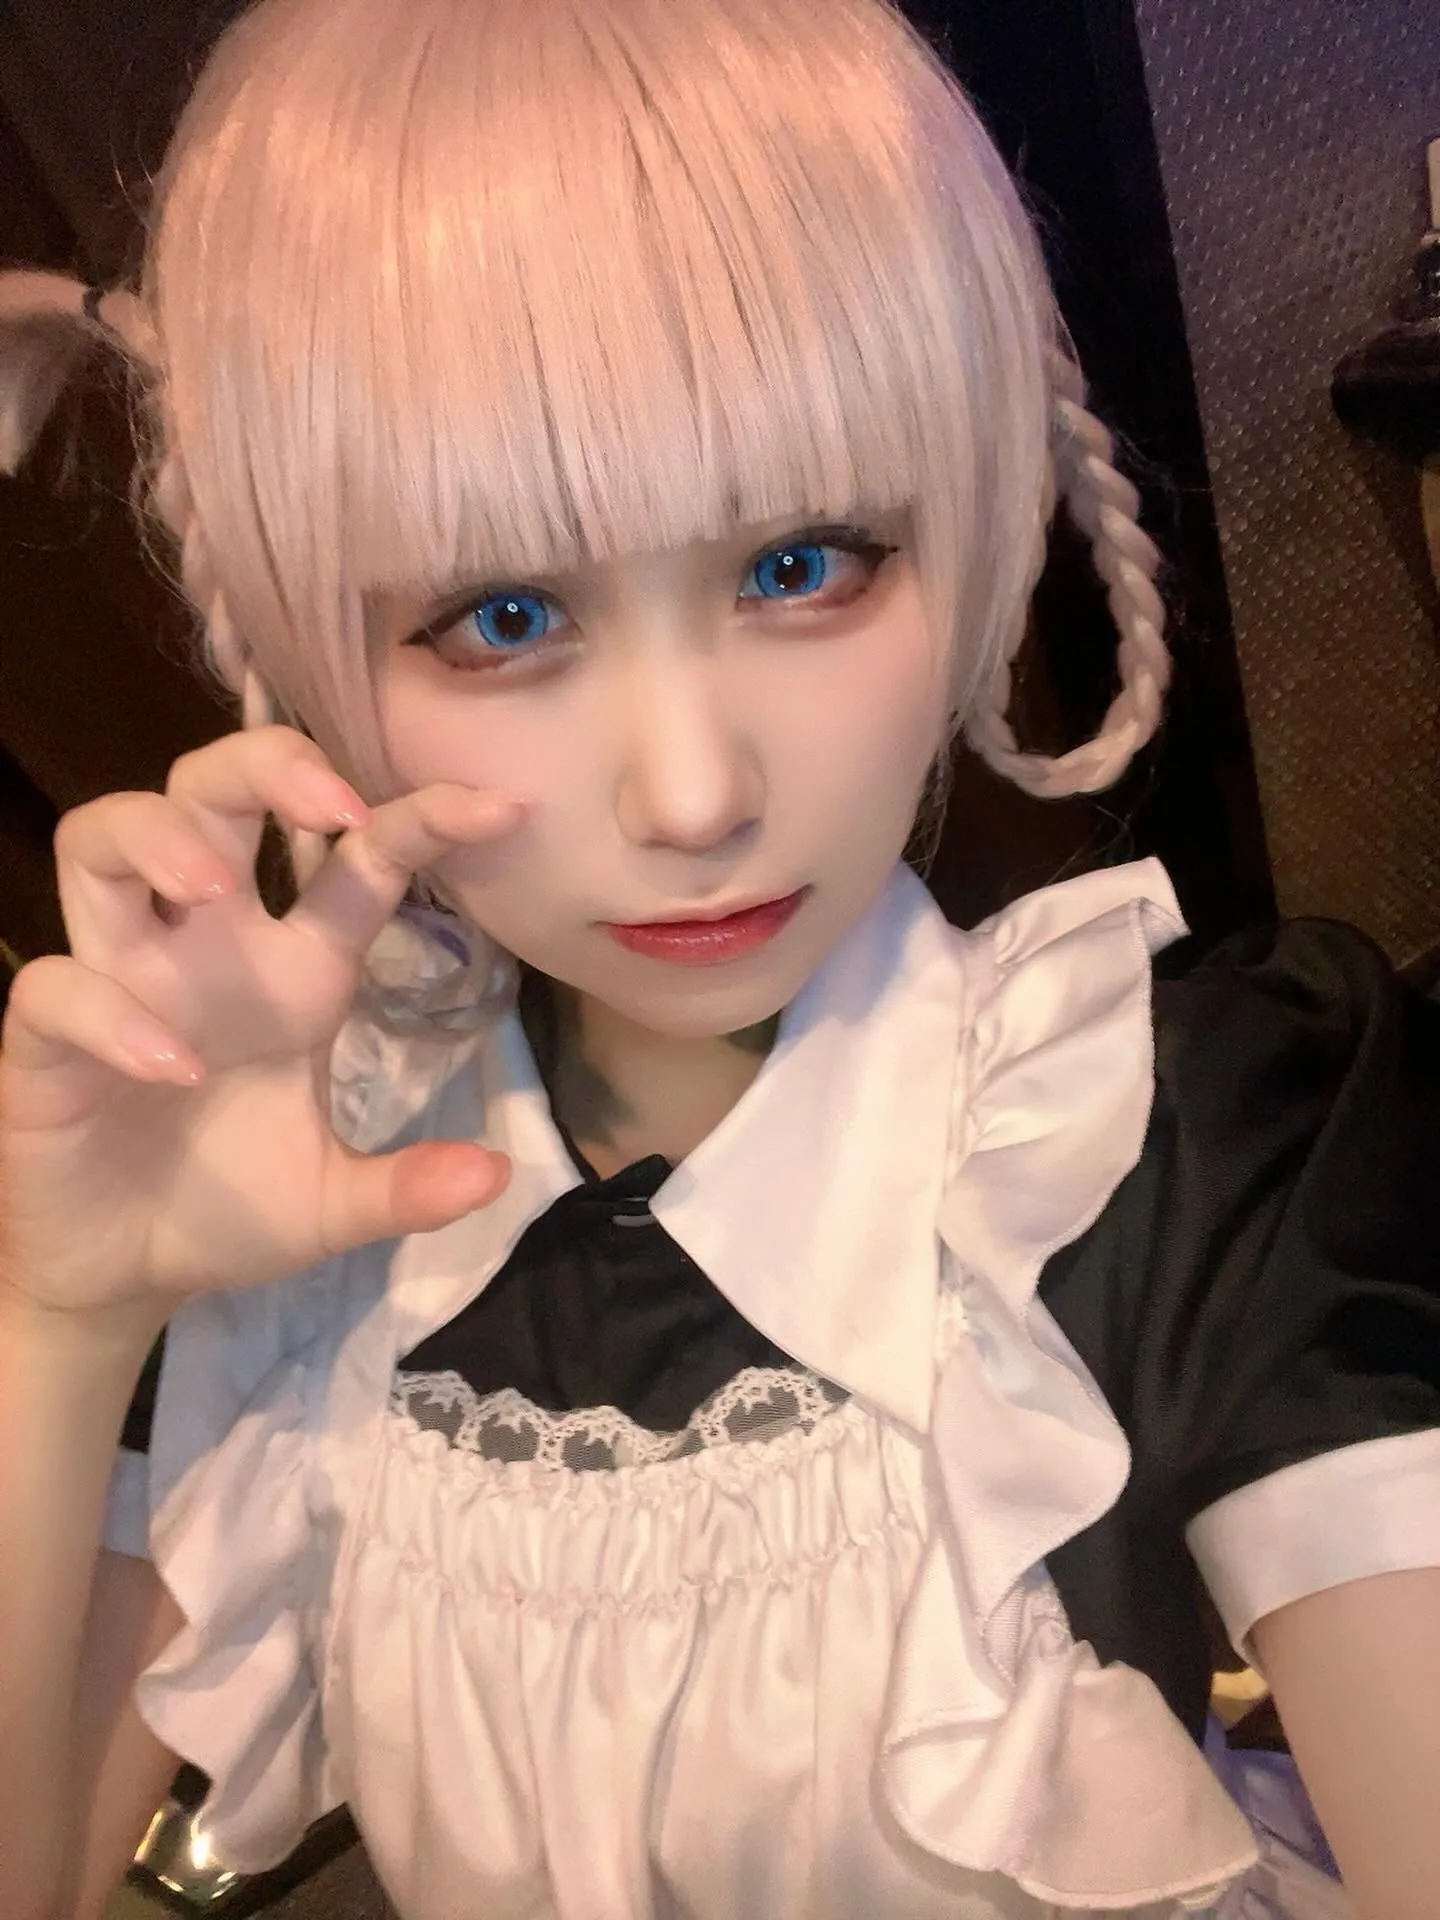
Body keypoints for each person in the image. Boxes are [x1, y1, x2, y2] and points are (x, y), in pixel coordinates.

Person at [0, 0, 1437, 1915]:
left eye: (800, 564)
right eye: (505, 615)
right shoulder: (289, 1185)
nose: (693, 796)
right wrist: (62, 1317)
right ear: (317, 649)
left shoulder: (1172, 1138)